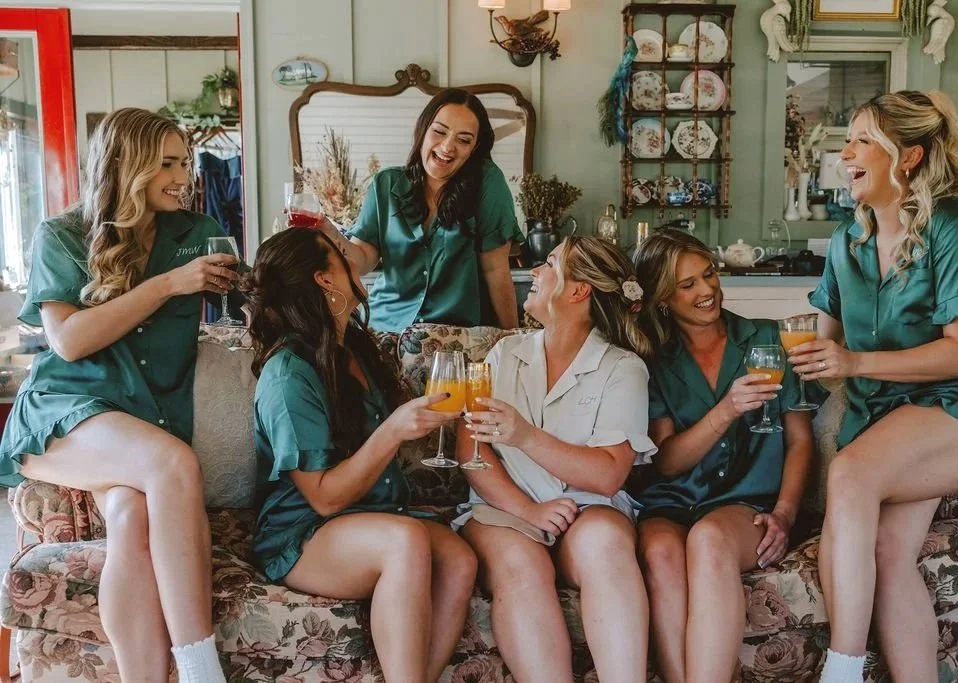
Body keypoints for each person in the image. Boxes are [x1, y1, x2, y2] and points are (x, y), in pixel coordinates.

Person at [788, 90, 958, 683]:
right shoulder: (847, 241)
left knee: (851, 472)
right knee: (892, 555)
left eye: (863, 139)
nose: (846, 154)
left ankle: (840, 673)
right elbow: (826, 349)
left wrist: (854, 364)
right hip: (889, 417)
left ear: (910, 156)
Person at [0, 108, 240, 682]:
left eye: (185, 161)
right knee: (172, 463)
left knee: (132, 516)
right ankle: (202, 671)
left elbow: (243, 298)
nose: (185, 175)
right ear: (127, 166)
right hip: (65, 413)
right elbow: (71, 341)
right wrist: (168, 286)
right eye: (167, 164)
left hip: (144, 417)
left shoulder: (198, 232)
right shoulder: (61, 235)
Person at [241, 227, 478, 683]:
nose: (356, 260)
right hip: (305, 532)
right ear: (324, 280)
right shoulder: (287, 373)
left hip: (374, 512)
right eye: (342, 255)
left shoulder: (356, 347)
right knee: (403, 542)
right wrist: (392, 431)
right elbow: (325, 499)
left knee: (459, 559)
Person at [453, 235, 657, 683]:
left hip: (589, 507)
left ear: (578, 290)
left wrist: (525, 436)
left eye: (548, 264)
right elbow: (470, 449)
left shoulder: (622, 369)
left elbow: (607, 476)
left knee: (606, 546)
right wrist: (528, 509)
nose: (535, 272)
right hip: (504, 508)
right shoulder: (505, 353)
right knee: (521, 564)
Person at [631, 230, 822, 683]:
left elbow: (800, 440)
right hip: (672, 499)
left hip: (743, 502)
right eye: (687, 285)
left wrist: (786, 513)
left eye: (708, 275)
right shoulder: (652, 360)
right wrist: (727, 410)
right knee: (659, 551)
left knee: (709, 541)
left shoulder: (769, 340)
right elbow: (667, 462)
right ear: (662, 299)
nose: (706, 290)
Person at [332, 87, 523, 332]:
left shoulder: (487, 183)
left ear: (474, 148)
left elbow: (496, 269)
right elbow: (363, 259)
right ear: (423, 130)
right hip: (384, 328)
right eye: (439, 132)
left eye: (463, 140)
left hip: (454, 337)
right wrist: (331, 235)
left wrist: (512, 338)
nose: (447, 147)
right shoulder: (386, 184)